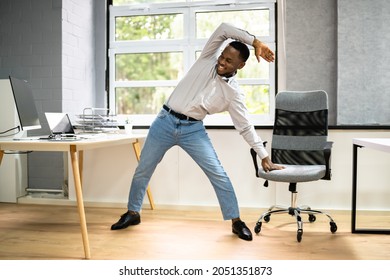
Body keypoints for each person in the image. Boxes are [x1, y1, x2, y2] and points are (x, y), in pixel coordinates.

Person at [111, 22, 283, 241]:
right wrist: (256, 42)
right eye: (223, 56)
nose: (221, 61)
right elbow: (223, 29)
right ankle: (133, 212)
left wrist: (264, 156)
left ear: (240, 66)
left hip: (193, 130)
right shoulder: (207, 59)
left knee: (218, 173)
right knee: (143, 169)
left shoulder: (233, 94)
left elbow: (245, 126)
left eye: (229, 60)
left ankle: (236, 221)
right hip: (164, 122)